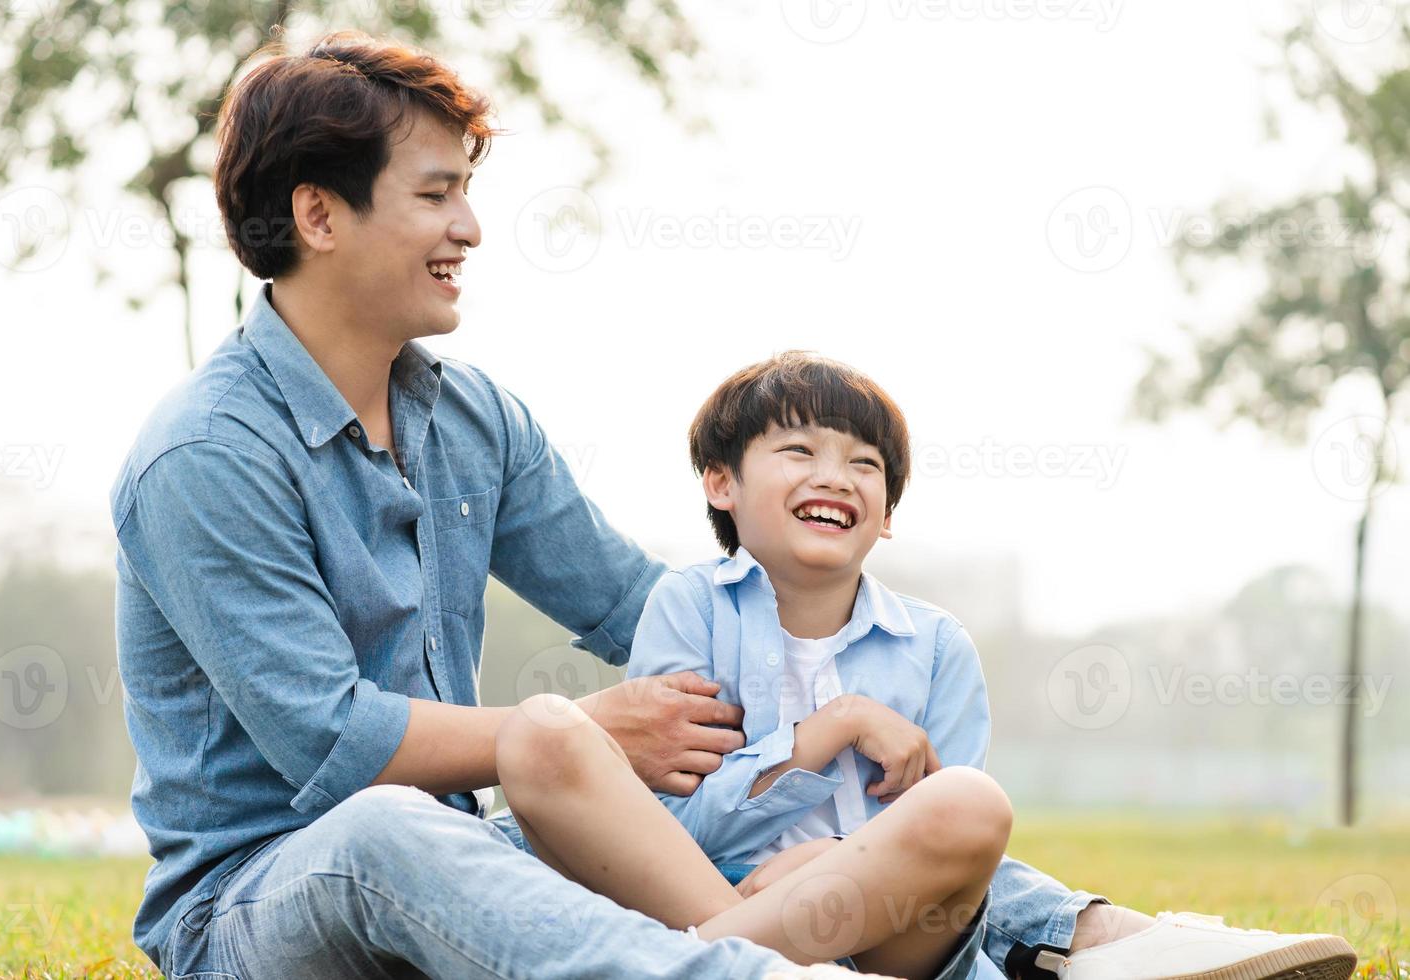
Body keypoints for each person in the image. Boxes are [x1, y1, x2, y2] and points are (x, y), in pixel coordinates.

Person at [110, 29, 1360, 980]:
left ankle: (1093, 935)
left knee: (831, 798)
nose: (473, 227)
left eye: (467, 192)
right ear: (319, 214)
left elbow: (639, 601)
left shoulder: (466, 416)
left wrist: (823, 657)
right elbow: (328, 742)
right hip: (266, 896)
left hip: (476, 858)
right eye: (436, 194)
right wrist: (582, 728)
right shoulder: (206, 456)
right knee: (400, 818)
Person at [495, 351, 1358, 979]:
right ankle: (747, 961)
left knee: (972, 804)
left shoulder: (935, 646)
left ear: (889, 514)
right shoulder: (688, 608)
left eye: (864, 464)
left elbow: (945, 853)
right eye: (799, 451)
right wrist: (829, 730)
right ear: (721, 484)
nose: (835, 476)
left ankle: (711, 966)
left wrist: (827, 864)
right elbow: (667, 834)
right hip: (704, 893)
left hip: (889, 934)